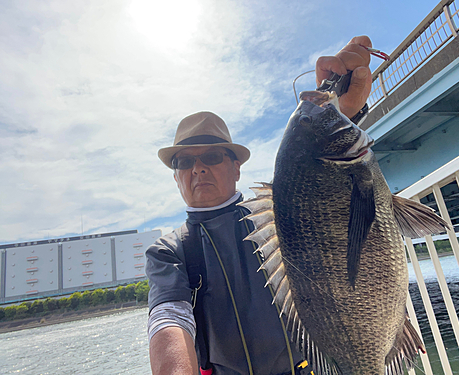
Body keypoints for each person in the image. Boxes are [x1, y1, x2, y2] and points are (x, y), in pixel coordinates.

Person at [146, 36, 373, 375]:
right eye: (183, 162)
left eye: (211, 156)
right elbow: (169, 318)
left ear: (236, 167)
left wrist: (339, 108)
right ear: (176, 176)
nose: (198, 169)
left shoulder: (281, 214)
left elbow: (324, 185)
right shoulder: (170, 251)